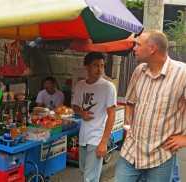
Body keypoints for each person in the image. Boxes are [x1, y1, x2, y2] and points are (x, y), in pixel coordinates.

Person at [114, 29, 186, 182]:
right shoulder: (139, 71)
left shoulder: (182, 74)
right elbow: (131, 100)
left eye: (138, 44)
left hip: (161, 157)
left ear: (152, 48)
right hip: (131, 152)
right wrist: (127, 116)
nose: (134, 48)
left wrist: (185, 138)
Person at [72, 52, 116, 182]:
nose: (100, 69)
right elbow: (75, 105)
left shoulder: (108, 87)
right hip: (83, 136)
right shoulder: (80, 85)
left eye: (102, 66)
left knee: (89, 178)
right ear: (87, 67)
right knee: (84, 172)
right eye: (96, 66)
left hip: (97, 137)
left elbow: (112, 115)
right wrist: (82, 112)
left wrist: (104, 141)